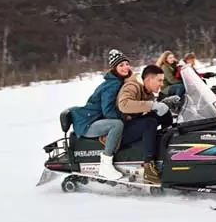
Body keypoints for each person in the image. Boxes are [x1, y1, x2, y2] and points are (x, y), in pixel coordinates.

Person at [69, 49, 132, 180]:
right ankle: (106, 164)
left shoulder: (120, 81)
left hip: (93, 119)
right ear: (115, 68)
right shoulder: (113, 84)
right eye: (121, 65)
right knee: (117, 124)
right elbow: (108, 110)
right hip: (88, 124)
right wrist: (125, 117)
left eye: (127, 64)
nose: (125, 67)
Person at [117, 64, 173, 185]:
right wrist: (152, 105)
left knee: (164, 115)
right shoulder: (132, 86)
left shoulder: (148, 91)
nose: (161, 84)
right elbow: (124, 104)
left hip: (132, 123)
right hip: (120, 131)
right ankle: (149, 168)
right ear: (148, 80)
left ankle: (166, 149)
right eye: (159, 80)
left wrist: (165, 104)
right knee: (150, 123)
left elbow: (146, 107)